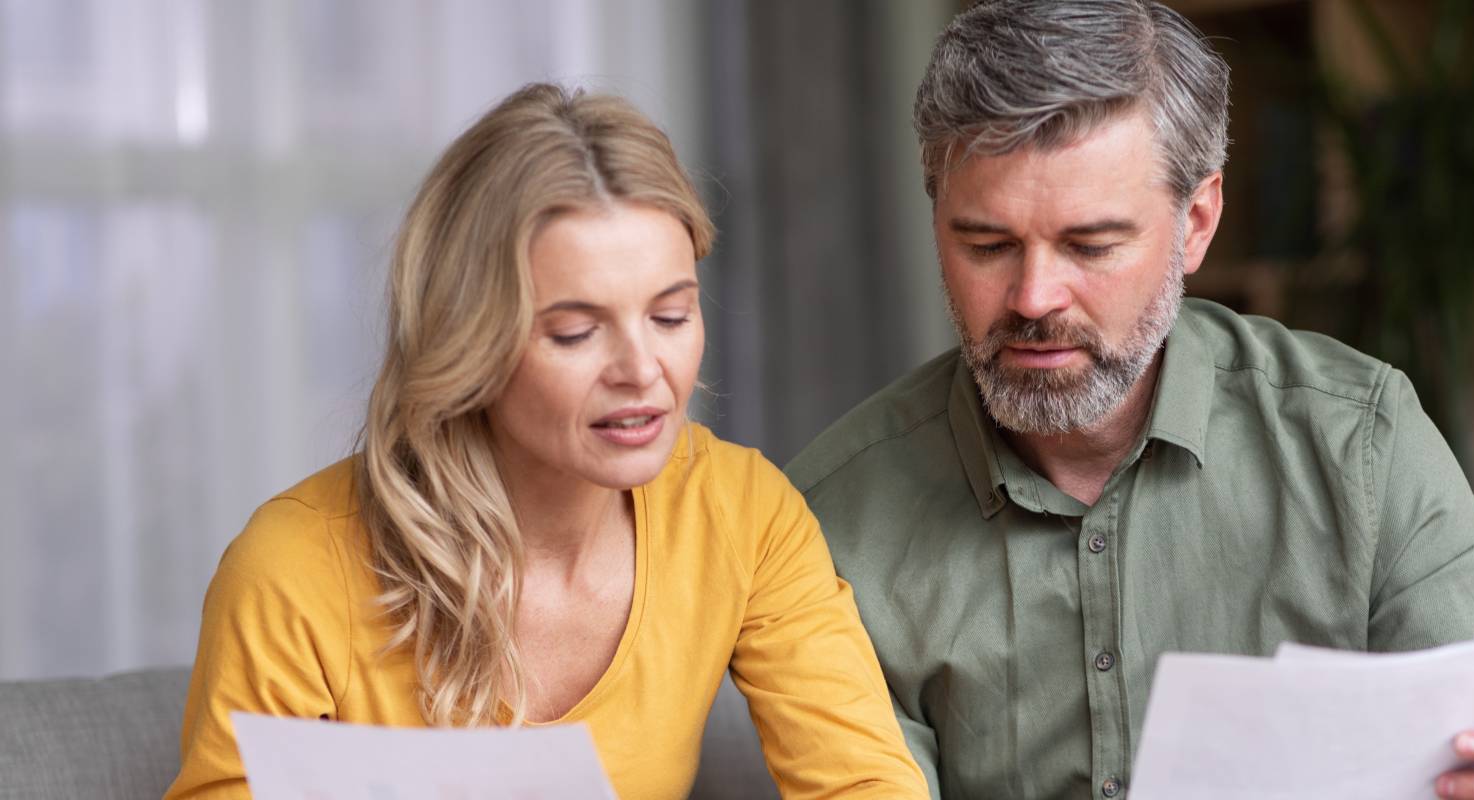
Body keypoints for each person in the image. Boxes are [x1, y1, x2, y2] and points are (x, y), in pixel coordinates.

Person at [784, 2, 1474, 799]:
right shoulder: (830, 521)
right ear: (936, 219)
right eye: (986, 243)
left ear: (1197, 221)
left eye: (1091, 243)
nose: (1035, 296)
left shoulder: (1359, 445)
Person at [167, 84, 927, 800]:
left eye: (670, 317)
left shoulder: (741, 513)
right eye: (575, 331)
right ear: (471, 343)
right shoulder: (294, 566)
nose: (642, 371)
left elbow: (864, 784)